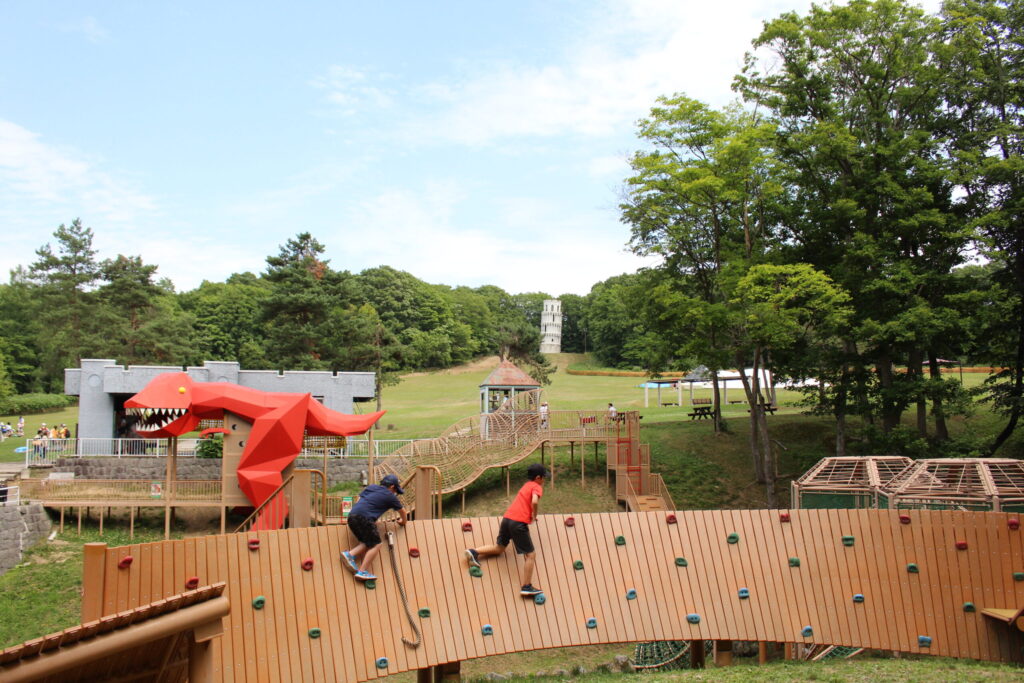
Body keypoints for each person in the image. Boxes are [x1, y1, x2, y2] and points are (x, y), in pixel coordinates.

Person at [464, 463, 547, 597]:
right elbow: (534, 501)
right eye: (544, 477)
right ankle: (527, 586)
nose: (544, 480)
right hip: (518, 523)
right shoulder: (536, 486)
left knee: (499, 548)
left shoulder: (526, 485)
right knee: (530, 555)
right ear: (538, 477)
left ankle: (474, 552)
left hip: (507, 519)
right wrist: (534, 515)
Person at [341, 473, 408, 581]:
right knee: (377, 544)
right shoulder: (390, 496)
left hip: (352, 516)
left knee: (368, 542)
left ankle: (350, 555)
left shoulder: (372, 487)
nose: (395, 493)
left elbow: (359, 499)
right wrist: (403, 522)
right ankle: (361, 570)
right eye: (395, 490)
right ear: (392, 487)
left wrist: (371, 517)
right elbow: (403, 512)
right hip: (365, 518)